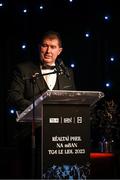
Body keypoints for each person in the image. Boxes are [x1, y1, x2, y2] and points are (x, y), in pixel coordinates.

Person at [7, 30, 76, 178]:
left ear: (59, 51)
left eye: (52, 47)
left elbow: (72, 99)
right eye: (45, 46)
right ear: (39, 47)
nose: (48, 50)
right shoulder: (23, 69)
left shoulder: (67, 72)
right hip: (31, 134)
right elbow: (13, 96)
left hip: (60, 136)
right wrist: (38, 108)